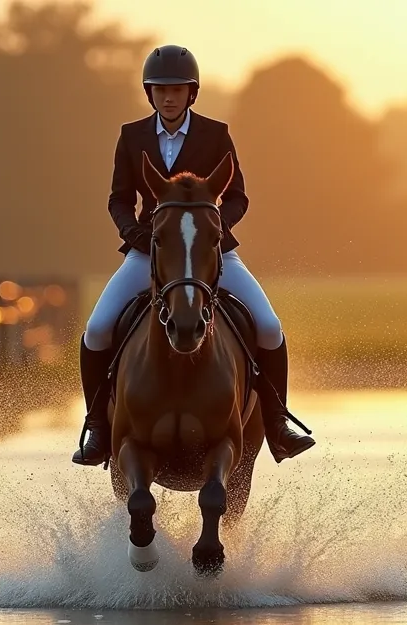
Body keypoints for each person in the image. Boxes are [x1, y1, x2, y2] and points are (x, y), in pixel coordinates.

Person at [72, 44, 315, 467]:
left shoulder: (215, 134)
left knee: (270, 326)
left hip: (210, 253)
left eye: (178, 89)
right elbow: (118, 199)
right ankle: (97, 426)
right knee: (96, 329)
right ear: (150, 93)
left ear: (191, 93)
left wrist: (215, 232)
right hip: (148, 255)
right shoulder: (132, 136)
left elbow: (237, 196)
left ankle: (277, 423)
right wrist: (134, 233)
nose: (169, 97)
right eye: (161, 89)